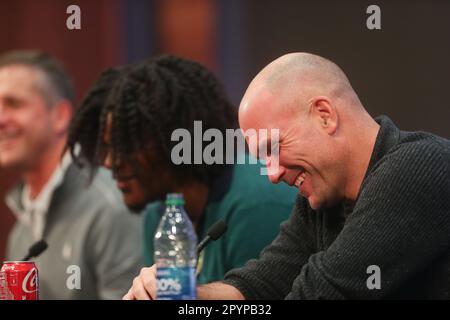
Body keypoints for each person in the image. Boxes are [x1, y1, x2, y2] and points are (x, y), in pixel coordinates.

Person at [125, 52, 450, 300]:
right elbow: (257, 287)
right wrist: (184, 294)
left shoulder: (418, 168)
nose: (272, 173)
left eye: (274, 147)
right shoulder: (320, 201)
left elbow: (317, 293)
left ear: (325, 115)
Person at [67, 55, 297, 293]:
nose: (109, 162)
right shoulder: (159, 215)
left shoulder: (256, 204)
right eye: (106, 148)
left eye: (125, 146)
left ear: (170, 140)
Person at [0, 51, 143, 299]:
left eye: (14, 104)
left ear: (60, 116)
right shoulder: (23, 219)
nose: (0, 118)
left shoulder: (111, 205)